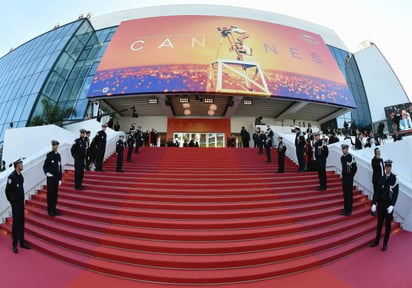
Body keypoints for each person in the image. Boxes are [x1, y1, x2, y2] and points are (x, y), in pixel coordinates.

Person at [370, 160, 399, 251]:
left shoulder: (394, 179)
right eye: (386, 166)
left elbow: (395, 193)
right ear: (385, 168)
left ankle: (385, 243)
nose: (388, 168)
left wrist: (392, 205)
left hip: (389, 206)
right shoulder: (382, 178)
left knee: (388, 225)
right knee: (379, 224)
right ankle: (377, 240)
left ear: (391, 167)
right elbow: (377, 192)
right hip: (381, 205)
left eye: (389, 166)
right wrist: (374, 203)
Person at [5, 158, 31, 253]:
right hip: (16, 205)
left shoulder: (21, 176)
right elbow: (7, 191)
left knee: (21, 223)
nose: (22, 165)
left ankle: (22, 242)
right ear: (17, 165)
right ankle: (14, 244)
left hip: (21, 203)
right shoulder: (11, 177)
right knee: (15, 224)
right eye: (21, 164)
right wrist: (12, 201)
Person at [43, 140, 62, 217]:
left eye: (55, 145)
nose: (54, 146)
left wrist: (60, 178)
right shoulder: (49, 155)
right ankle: (50, 210)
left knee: (55, 194)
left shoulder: (58, 156)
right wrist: (47, 173)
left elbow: (59, 167)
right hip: (50, 178)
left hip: (56, 178)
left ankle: (54, 209)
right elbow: (45, 166)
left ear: (57, 146)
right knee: (50, 194)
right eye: (53, 145)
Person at [340, 144, 357, 216]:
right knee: (345, 194)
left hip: (349, 178)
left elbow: (355, 168)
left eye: (345, 149)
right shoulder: (341, 158)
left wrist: (351, 176)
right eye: (343, 149)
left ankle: (349, 210)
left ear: (347, 149)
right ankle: (345, 209)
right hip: (344, 178)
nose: (344, 150)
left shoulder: (351, 157)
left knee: (349, 194)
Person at [371, 147, 385, 216]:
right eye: (378, 151)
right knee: (376, 194)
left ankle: (379, 209)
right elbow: (375, 168)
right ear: (375, 152)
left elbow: (383, 169)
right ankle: (373, 209)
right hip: (376, 180)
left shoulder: (381, 159)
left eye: (379, 151)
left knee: (380, 195)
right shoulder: (374, 160)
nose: (379, 152)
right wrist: (378, 160)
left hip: (382, 179)